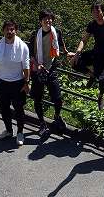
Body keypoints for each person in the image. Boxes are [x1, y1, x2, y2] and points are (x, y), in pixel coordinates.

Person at [69, 1, 104, 111]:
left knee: (103, 80)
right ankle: (92, 75)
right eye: (93, 11)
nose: (95, 13)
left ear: (103, 12)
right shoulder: (92, 24)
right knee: (74, 63)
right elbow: (84, 40)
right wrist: (77, 53)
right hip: (95, 52)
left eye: (98, 11)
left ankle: (101, 95)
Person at [28, 9, 69, 137]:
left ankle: (57, 116)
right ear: (41, 21)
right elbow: (30, 53)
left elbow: (61, 46)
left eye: (50, 18)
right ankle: (42, 123)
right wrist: (37, 64)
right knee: (38, 98)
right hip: (38, 70)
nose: (48, 21)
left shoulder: (56, 32)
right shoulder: (35, 34)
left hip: (51, 68)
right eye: (45, 19)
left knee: (58, 98)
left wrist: (68, 53)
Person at [0, 19, 30, 146]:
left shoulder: (22, 46)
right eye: (7, 29)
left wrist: (26, 83)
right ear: (3, 30)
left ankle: (20, 132)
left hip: (18, 83)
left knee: (19, 109)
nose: (10, 31)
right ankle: (8, 130)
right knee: (3, 108)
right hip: (2, 82)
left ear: (16, 31)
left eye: (12, 29)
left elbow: (26, 66)